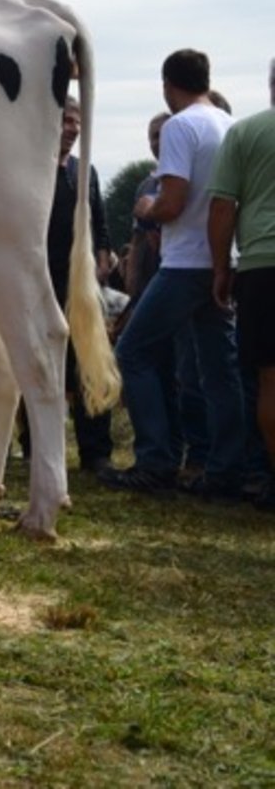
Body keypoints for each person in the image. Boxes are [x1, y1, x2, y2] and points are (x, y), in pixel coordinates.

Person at [102, 49, 246, 498]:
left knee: (133, 351)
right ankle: (225, 469)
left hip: (184, 261)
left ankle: (156, 460)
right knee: (219, 370)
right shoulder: (227, 124)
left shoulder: (180, 127)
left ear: (168, 85)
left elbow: (173, 200)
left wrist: (147, 207)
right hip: (223, 260)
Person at [19, 97, 115, 472]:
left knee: (88, 363)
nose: (73, 128)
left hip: (81, 285)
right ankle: (36, 446)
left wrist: (104, 251)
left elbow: (99, 218)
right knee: (39, 363)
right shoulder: (27, 166)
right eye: (65, 121)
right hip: (39, 280)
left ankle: (96, 451)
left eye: (76, 122)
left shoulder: (84, 170)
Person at [208, 57, 275, 509]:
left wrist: (220, 268)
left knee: (269, 380)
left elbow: (222, 207)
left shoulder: (246, 132)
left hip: (262, 264)